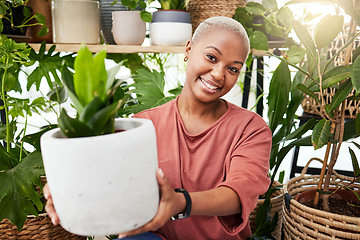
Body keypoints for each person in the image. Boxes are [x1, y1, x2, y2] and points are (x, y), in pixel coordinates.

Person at [44, 16, 272, 240]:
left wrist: (181, 202)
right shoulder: (143, 125)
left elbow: (238, 192)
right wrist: (69, 192)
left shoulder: (251, 129)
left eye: (233, 69)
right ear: (189, 50)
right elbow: (113, 183)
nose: (219, 74)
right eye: (211, 57)